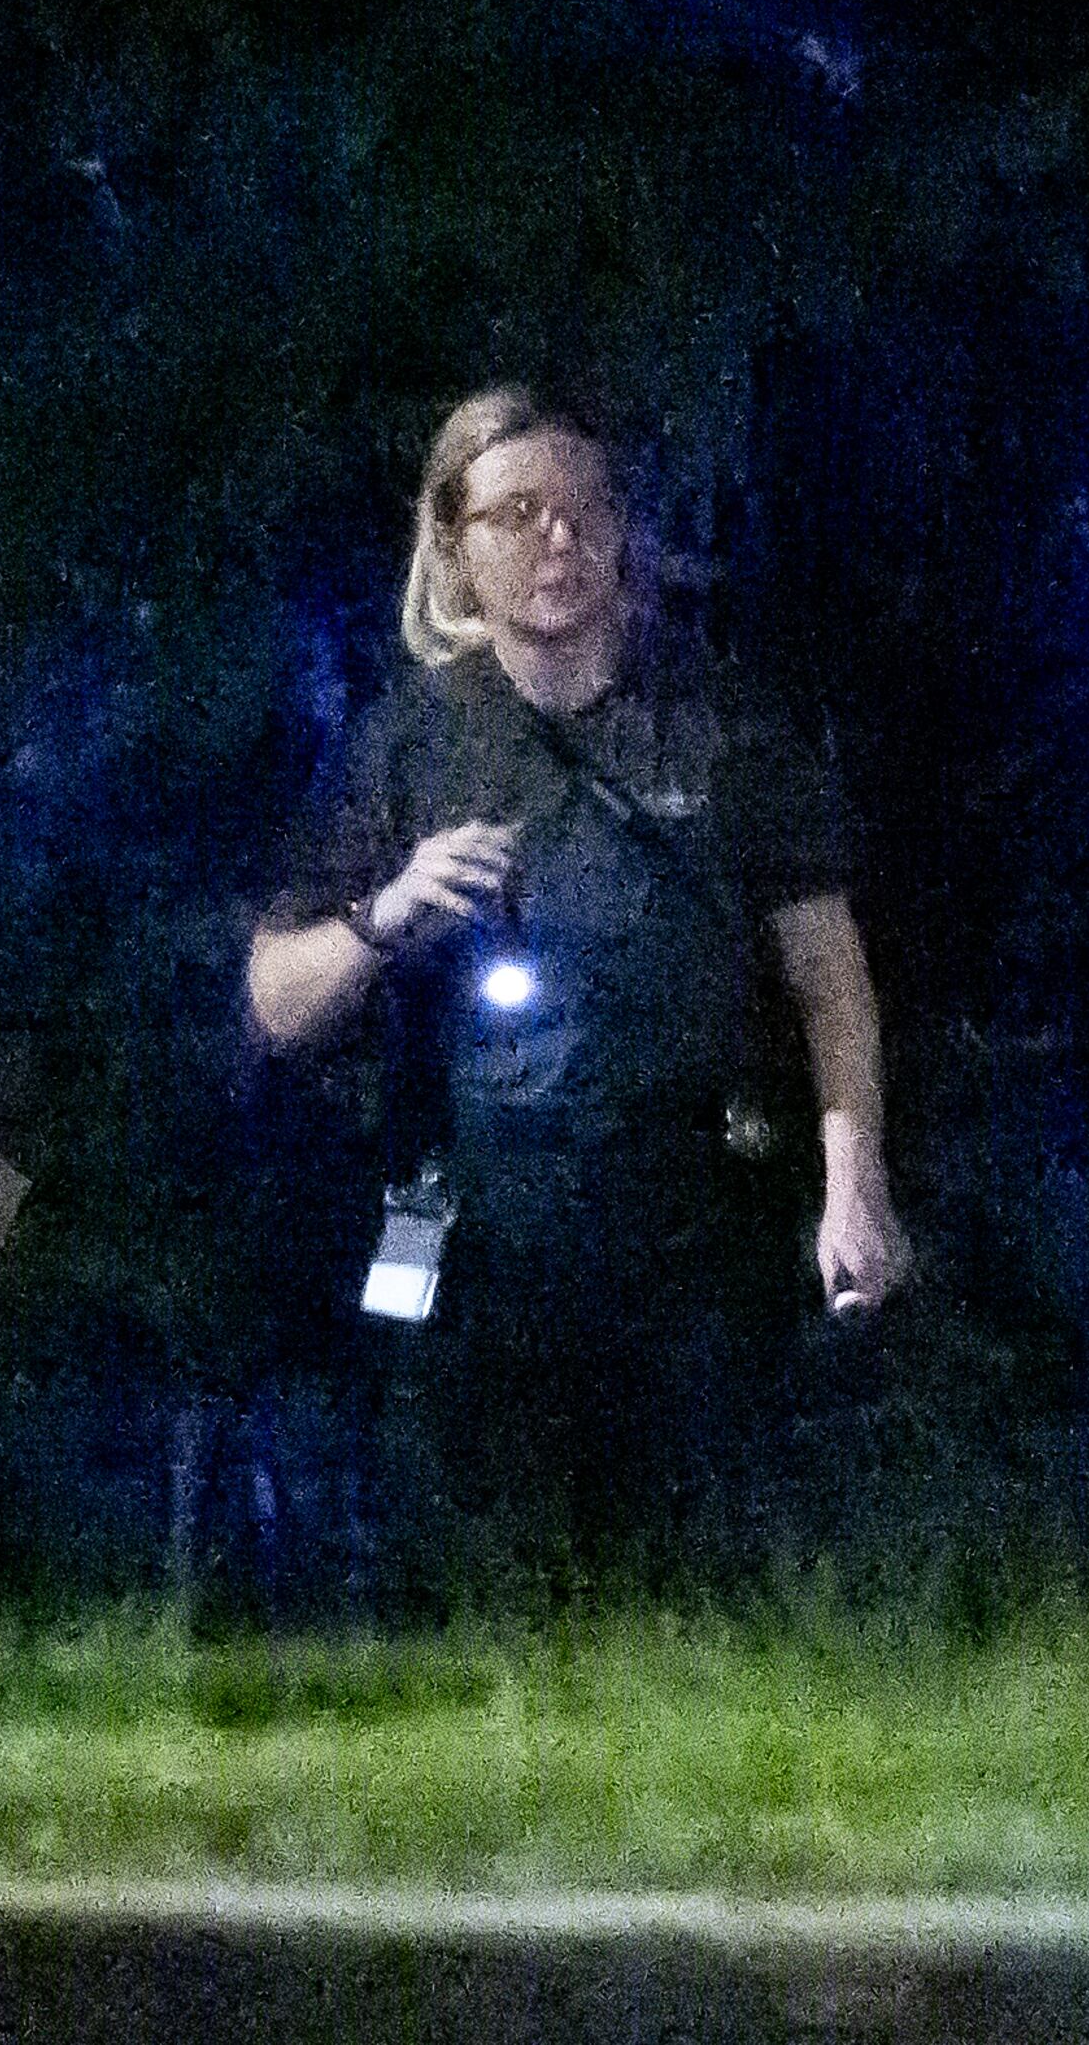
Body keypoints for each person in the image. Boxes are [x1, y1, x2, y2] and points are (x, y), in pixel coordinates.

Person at [247, 386, 905, 1586]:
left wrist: (853, 1192)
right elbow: (277, 1001)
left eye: (585, 509)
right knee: (488, 1586)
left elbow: (832, 983)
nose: (558, 537)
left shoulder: (719, 728)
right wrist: (384, 914)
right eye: (516, 512)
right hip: (474, 1228)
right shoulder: (409, 742)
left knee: (700, 1592)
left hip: (694, 1223)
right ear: (454, 547)